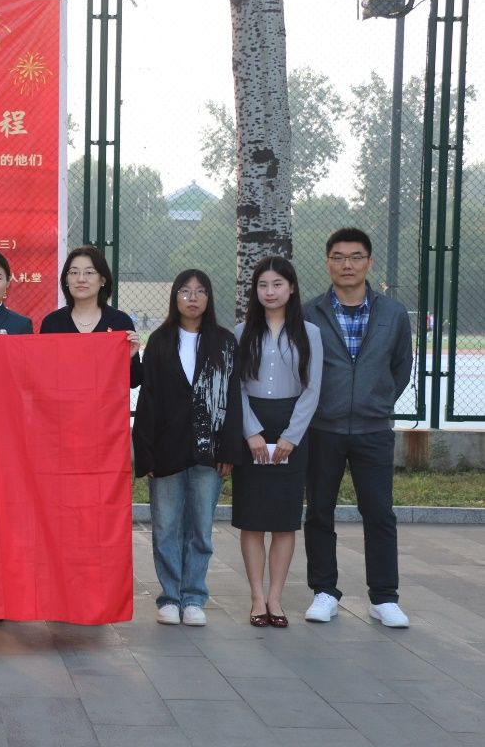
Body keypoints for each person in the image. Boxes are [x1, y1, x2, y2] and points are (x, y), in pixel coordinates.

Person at [302, 228, 412, 628]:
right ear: (327, 262)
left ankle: (384, 598)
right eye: (338, 257)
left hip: (373, 429)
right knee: (319, 511)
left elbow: (400, 368)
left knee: (379, 513)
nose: (346, 264)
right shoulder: (309, 313)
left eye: (355, 257)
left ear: (368, 262)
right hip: (322, 428)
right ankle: (324, 592)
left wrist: (377, 401)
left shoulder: (393, 314)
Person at [132, 269, 243, 627]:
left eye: (200, 291)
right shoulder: (160, 340)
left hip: (209, 450)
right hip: (166, 448)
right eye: (185, 291)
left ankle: (194, 597)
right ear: (175, 297)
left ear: (209, 297)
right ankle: (169, 597)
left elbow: (233, 398)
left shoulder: (225, 342)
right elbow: (147, 399)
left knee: (200, 528)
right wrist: (145, 453)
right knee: (166, 527)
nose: (192, 298)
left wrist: (229, 450)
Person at [232, 257, 322, 628]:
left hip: (292, 427)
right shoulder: (241, 332)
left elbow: (312, 389)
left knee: (284, 521)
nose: (270, 292)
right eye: (263, 285)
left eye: (277, 284)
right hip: (251, 426)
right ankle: (257, 597)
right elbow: (236, 387)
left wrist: (291, 436)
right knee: (252, 520)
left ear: (292, 288)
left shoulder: (310, 333)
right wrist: (250, 431)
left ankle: (275, 598)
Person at [39, 245, 142, 386]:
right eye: (74, 272)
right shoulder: (52, 323)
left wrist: (128, 358)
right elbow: (43, 376)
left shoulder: (120, 321)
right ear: (66, 280)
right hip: (63, 399)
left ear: (103, 280)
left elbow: (134, 381)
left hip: (106, 400)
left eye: (89, 272)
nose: (81, 279)